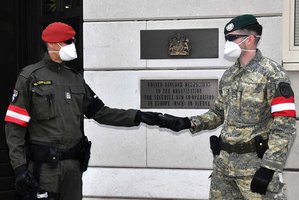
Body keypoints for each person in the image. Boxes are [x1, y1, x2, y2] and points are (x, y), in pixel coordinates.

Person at [5, 22, 162, 200]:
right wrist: (19, 167)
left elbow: (101, 113)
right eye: (67, 42)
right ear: (52, 44)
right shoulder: (30, 77)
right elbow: (14, 126)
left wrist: (138, 116)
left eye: (73, 41)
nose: (72, 46)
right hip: (44, 170)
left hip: (73, 168)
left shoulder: (75, 78)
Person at [157, 14, 297, 199]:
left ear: (251, 39)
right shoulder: (229, 75)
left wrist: (269, 167)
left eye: (233, 37)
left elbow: (285, 124)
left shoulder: (272, 74)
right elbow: (218, 113)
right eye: (226, 38)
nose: (228, 42)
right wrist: (188, 122)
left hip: (254, 167)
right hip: (224, 166)